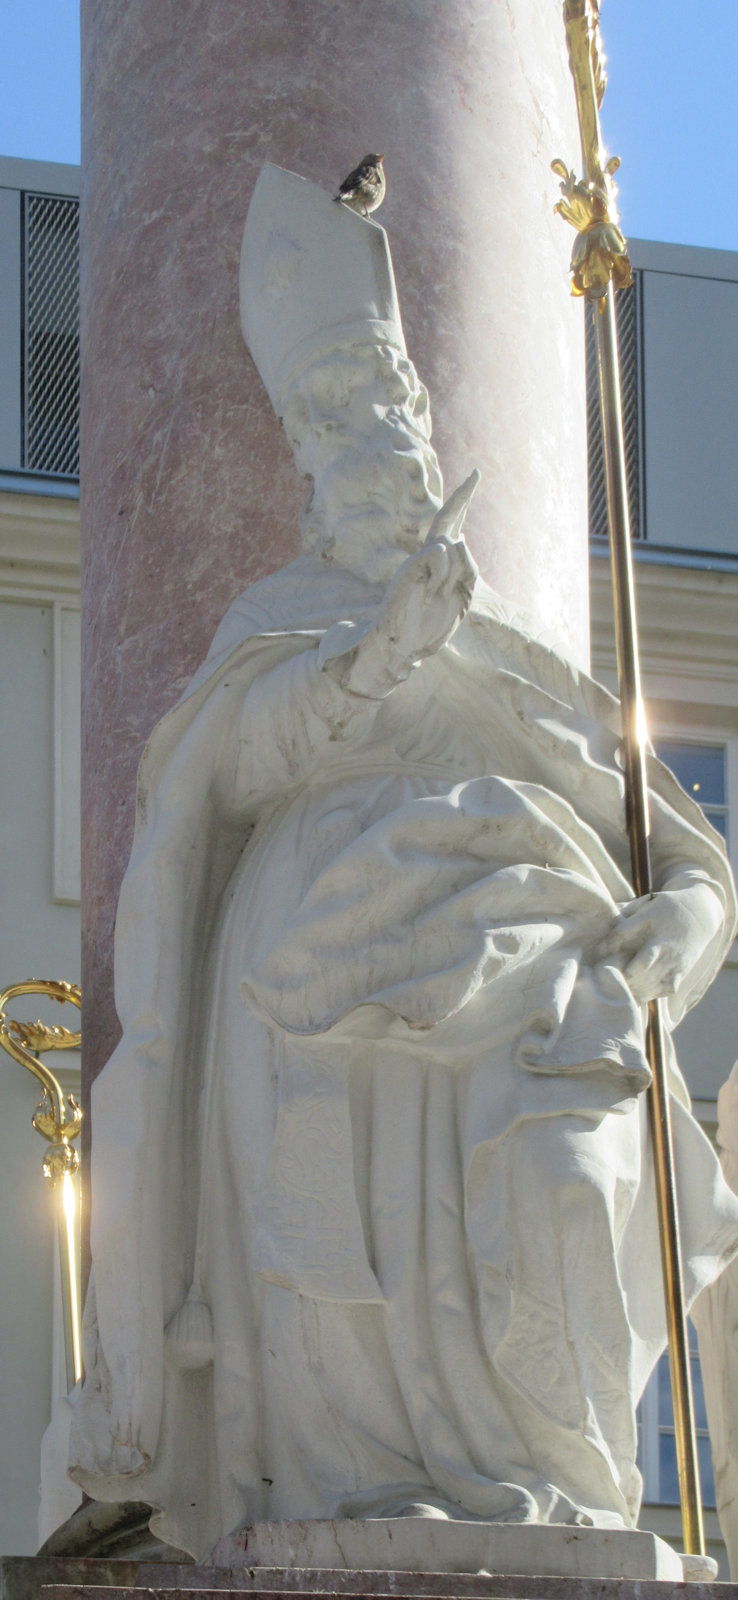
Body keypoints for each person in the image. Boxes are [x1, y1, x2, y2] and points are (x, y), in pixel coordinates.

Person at [69, 166, 738, 1560]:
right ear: (314, 487)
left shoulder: (512, 641)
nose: (382, 469)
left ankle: (531, 1469)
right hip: (317, 962)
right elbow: (225, 772)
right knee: (339, 1247)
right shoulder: (283, 617)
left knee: (556, 1183)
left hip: (526, 949)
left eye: (399, 446)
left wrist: (680, 919)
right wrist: (378, 661)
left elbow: (680, 853)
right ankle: (350, 1485)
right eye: (349, 450)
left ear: (434, 468)